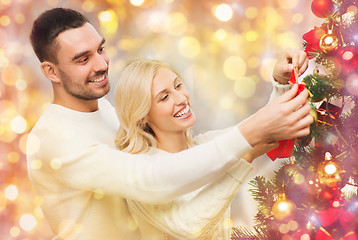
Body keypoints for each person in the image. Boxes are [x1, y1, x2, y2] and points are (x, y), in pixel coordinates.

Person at [27, 7, 312, 240]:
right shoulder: (55, 138)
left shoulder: (101, 106)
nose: (101, 64)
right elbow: (151, 180)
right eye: (82, 59)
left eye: (100, 49)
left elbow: (187, 155)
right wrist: (250, 138)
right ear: (50, 71)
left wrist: (281, 87)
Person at [112, 58, 282, 239]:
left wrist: (281, 82)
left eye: (178, 86)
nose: (181, 98)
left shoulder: (205, 146)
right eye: (164, 97)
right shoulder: (143, 172)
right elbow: (189, 226)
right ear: (142, 116)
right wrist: (246, 157)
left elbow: (263, 125)